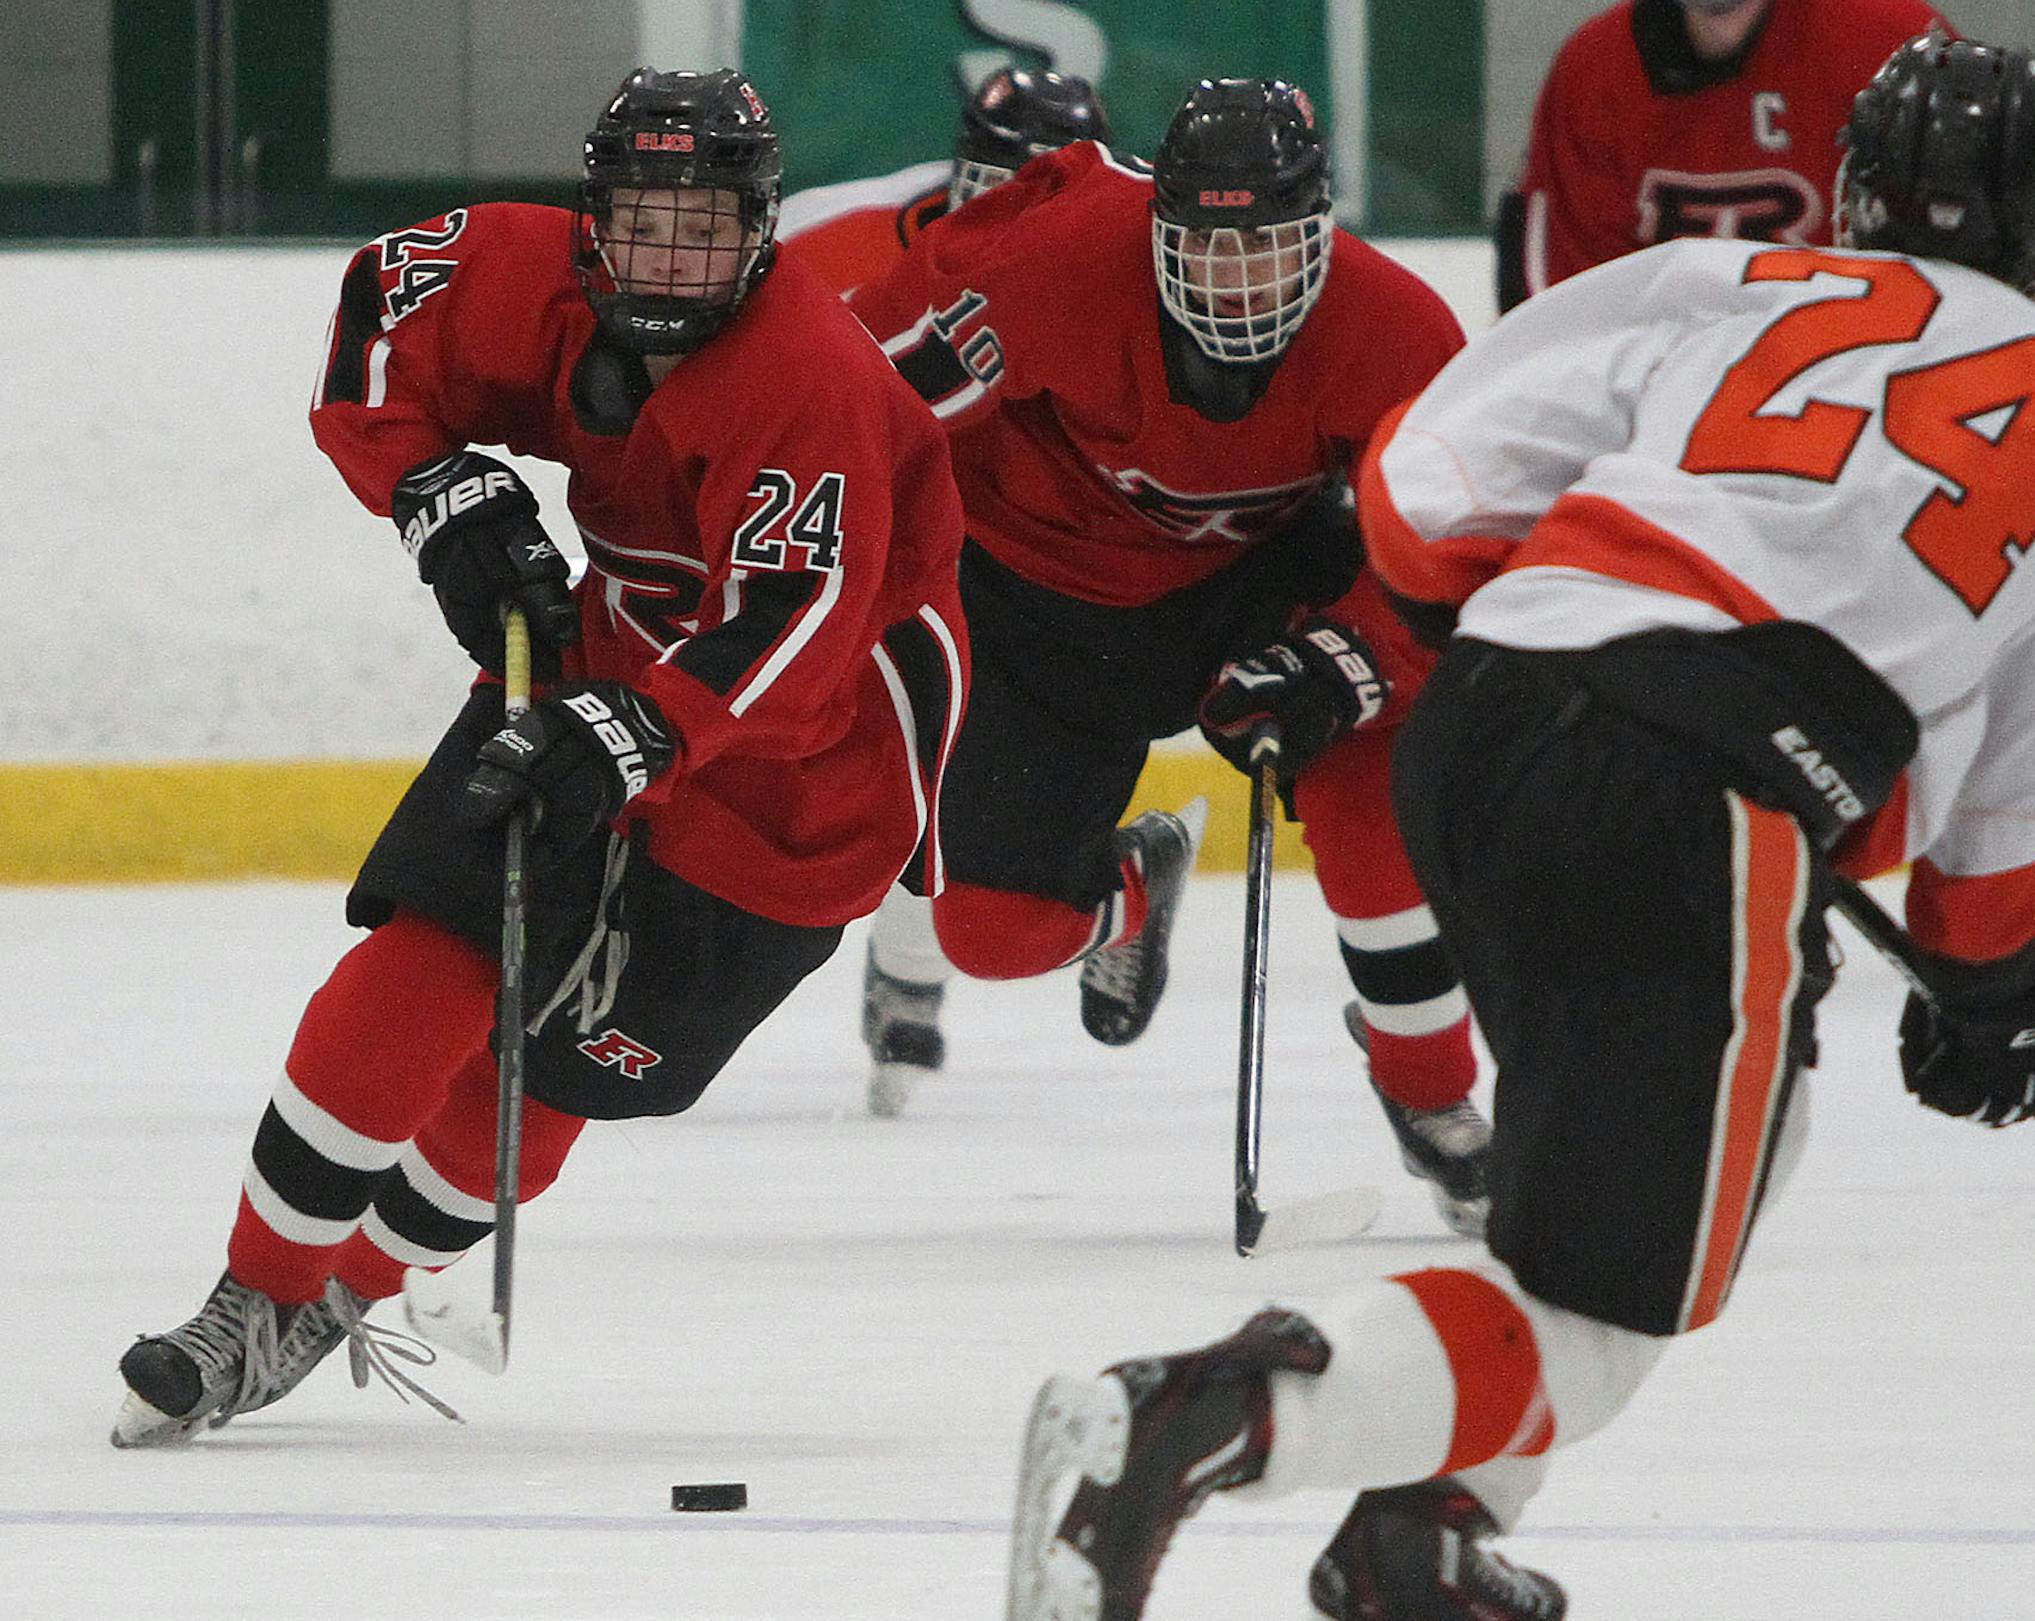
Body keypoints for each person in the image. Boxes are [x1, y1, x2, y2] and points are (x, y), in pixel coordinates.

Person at [1007, 37, 2035, 1621]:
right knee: (1606, 1310)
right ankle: (1188, 1423)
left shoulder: (1730, 284)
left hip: (1484, 729)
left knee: (1736, 1121)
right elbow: (2009, 862)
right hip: (1695, 796)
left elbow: (1419, 493)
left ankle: (1429, 1533)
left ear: (1853, 193)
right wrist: (2012, 1004)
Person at [110, 67, 969, 1448]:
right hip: (605, 661)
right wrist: (435, 492)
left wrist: (653, 727)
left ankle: (350, 1291)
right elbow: (384, 303)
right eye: (644, 216)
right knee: (436, 946)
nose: (672, 255)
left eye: (709, 224)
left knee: (561, 1071)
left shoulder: (808, 379)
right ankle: (252, 1300)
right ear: (594, 215)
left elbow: (802, 618)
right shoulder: (534, 278)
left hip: (806, 772)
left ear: (761, 231)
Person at [840, 78, 1496, 1238]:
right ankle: (1134, 890)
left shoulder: (1397, 331)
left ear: (1324, 229)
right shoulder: (1049, 261)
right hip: (1024, 600)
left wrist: (1349, 661)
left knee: (1358, 755)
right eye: (1206, 245)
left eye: (1268, 245)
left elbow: (1457, 566)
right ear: (1157, 229)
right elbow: (859, 413)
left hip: (1244, 587)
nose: (1236, 279)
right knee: (990, 933)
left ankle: (1431, 1086)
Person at [1495, 0, 1950, 312]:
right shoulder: (1595, 70)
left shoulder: (1889, 41)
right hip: (1661, 410)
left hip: (1856, 394)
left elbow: (1956, 275)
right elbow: (1556, 317)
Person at [775, 65, 1111, 300]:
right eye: (1001, 185)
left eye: (1048, 193)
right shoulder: (824, 234)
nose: (1016, 210)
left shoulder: (1115, 257)